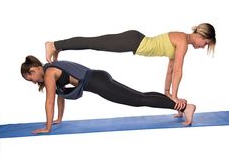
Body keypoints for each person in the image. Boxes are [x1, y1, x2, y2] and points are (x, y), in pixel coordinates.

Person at [45, 23, 216, 117]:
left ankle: (58, 47)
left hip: (134, 41)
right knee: (94, 43)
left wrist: (168, 93)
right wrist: (176, 95)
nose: (203, 47)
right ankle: (55, 44)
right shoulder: (182, 41)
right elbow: (178, 69)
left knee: (94, 44)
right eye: (205, 44)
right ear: (201, 36)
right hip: (133, 41)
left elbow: (171, 69)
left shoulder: (181, 40)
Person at [21, 55, 196, 134]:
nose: (34, 81)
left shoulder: (49, 72)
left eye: (31, 77)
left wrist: (48, 127)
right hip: (99, 78)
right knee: (140, 96)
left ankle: (186, 107)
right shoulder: (51, 70)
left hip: (98, 82)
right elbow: (60, 97)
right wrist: (58, 119)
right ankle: (179, 107)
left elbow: (49, 101)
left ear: (35, 68)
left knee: (138, 100)